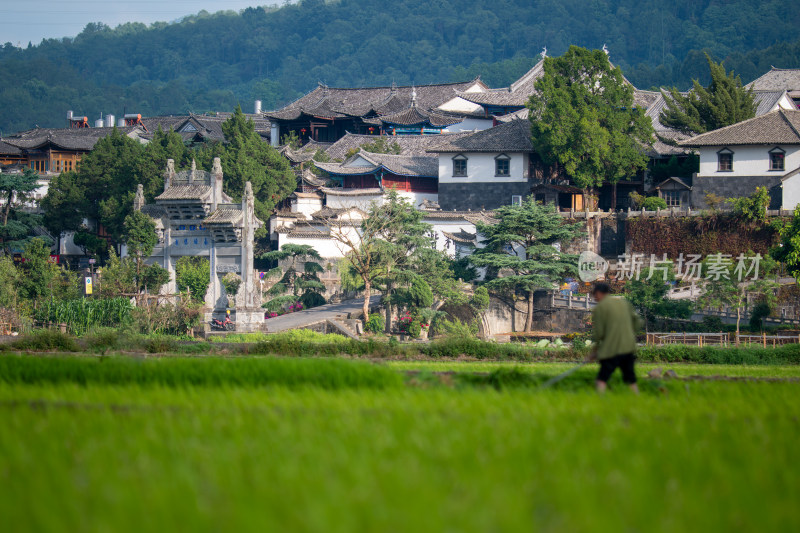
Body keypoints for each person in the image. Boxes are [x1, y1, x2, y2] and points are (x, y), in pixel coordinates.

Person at [588, 282, 641, 394]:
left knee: (602, 379)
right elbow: (637, 322)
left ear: (598, 293)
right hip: (628, 347)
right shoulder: (624, 303)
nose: (594, 298)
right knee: (631, 379)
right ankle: (637, 399)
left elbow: (599, 333)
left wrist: (594, 351)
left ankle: (599, 402)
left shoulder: (600, 308)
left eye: (594, 295)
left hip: (611, 349)